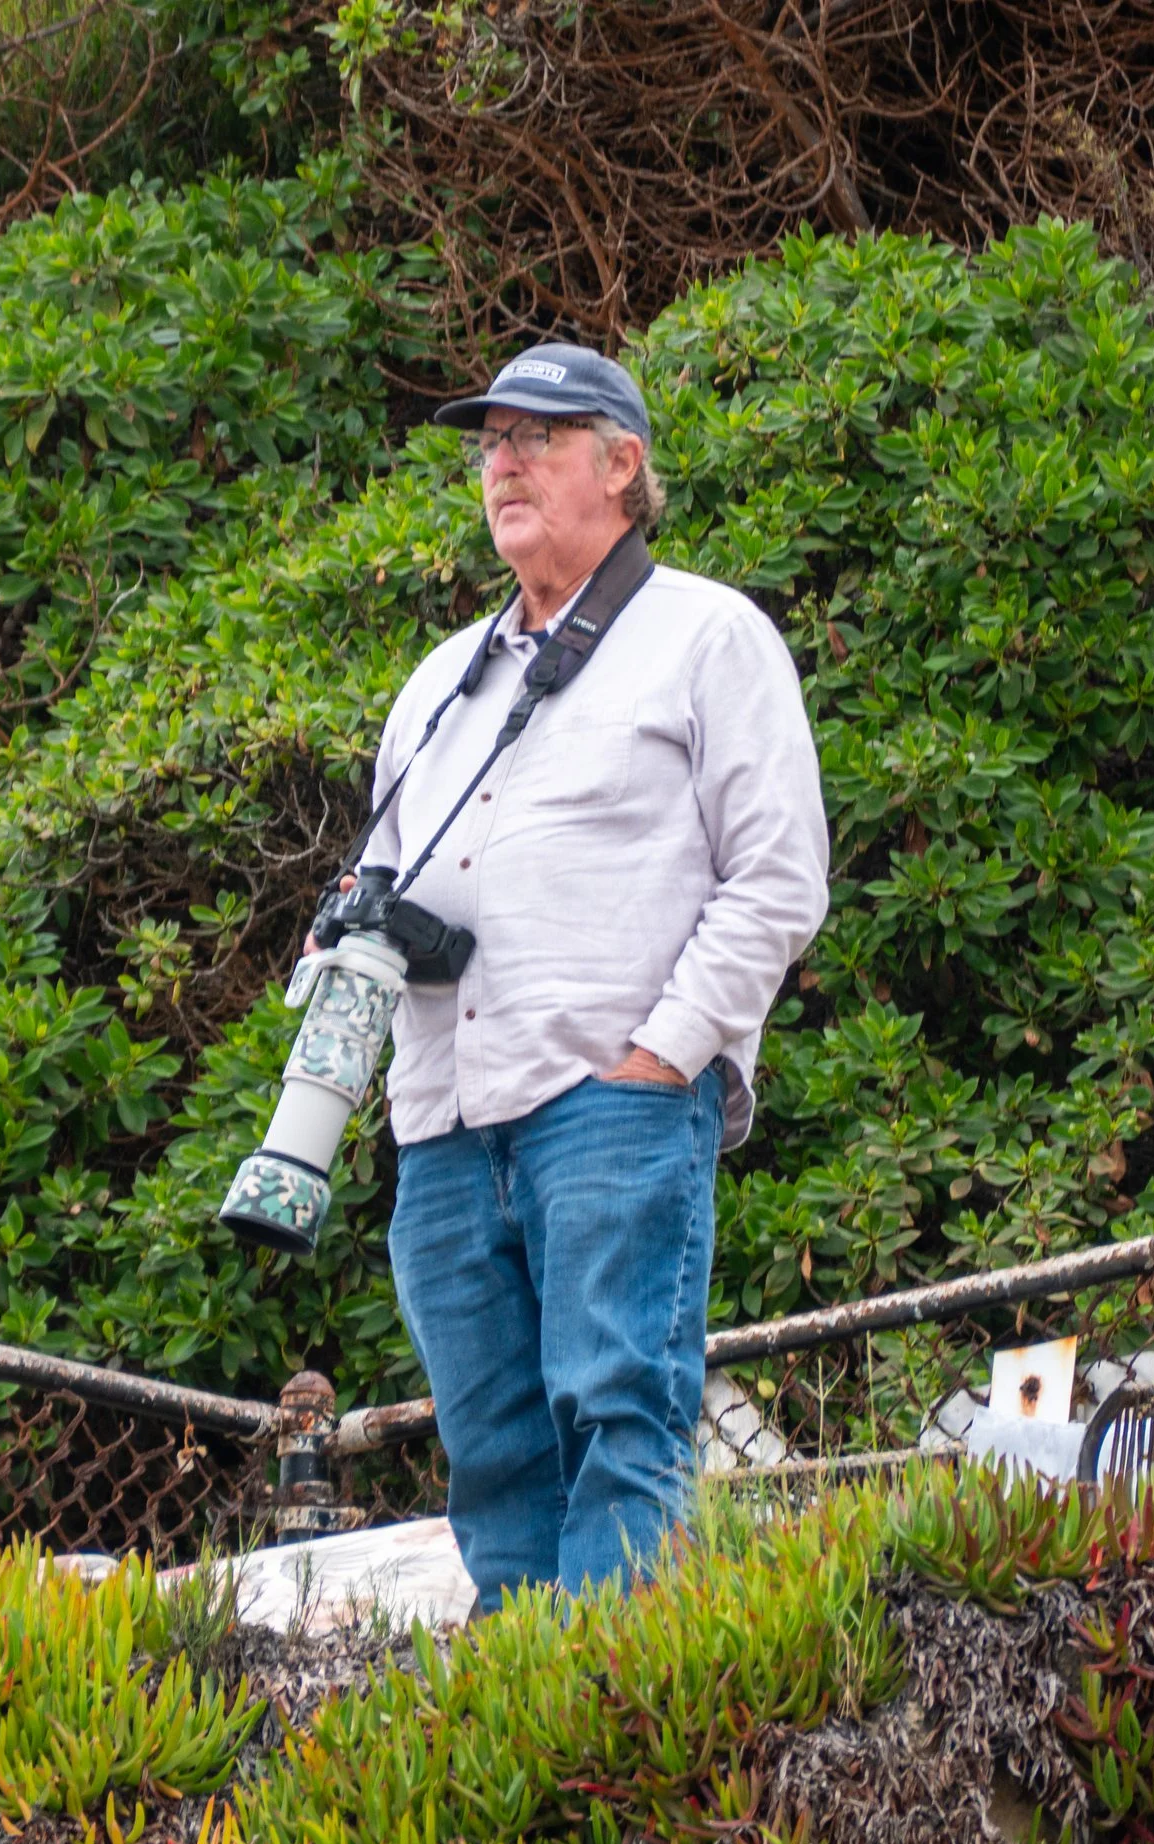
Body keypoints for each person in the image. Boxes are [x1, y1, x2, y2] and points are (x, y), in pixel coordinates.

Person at [354, 341, 830, 1614]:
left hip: (606, 1100)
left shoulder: (708, 633)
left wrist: (663, 1055)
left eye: (536, 438)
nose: (500, 462)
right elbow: (379, 888)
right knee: (492, 1456)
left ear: (622, 466)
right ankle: (530, 1712)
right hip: (446, 1123)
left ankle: (613, 1722)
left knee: (622, 1417)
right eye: (490, 443)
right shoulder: (437, 680)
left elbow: (779, 881)